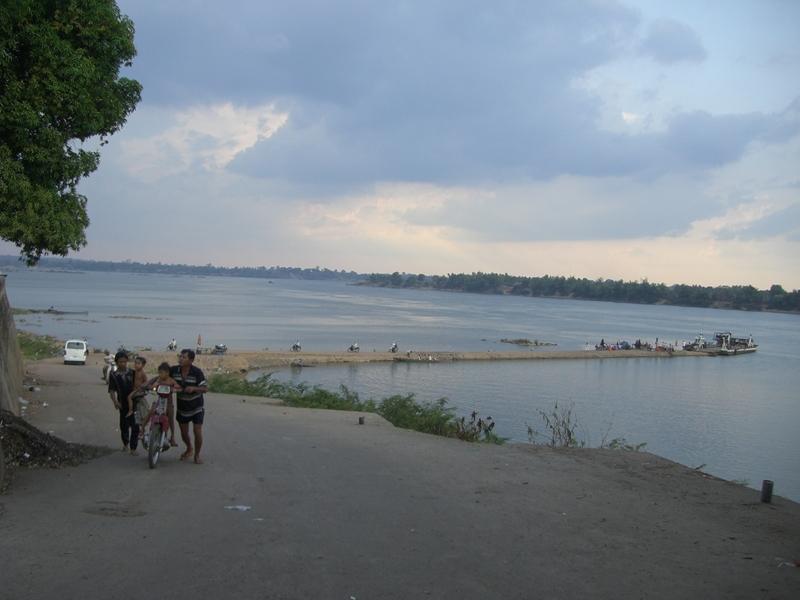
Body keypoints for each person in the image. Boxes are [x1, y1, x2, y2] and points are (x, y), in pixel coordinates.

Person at [171, 349, 208, 464]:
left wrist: (194, 388)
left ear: (191, 360)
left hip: (197, 407)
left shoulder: (197, 372)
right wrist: (150, 383)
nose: (181, 359)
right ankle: (189, 448)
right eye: (180, 356)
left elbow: (205, 388)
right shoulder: (174, 370)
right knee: (184, 433)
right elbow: (162, 376)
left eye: (184, 357)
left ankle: (197, 455)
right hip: (182, 407)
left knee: (197, 431)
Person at [140, 362, 180, 447]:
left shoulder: (171, 380)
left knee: (171, 418)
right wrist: (152, 387)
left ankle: (172, 437)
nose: (160, 374)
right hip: (159, 401)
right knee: (150, 412)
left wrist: (175, 389)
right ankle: (142, 429)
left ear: (167, 373)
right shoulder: (158, 379)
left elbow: (177, 386)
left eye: (161, 373)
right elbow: (151, 385)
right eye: (159, 373)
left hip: (168, 403)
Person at [107, 351, 138, 455]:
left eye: (124, 361)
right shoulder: (114, 375)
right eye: (120, 362)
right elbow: (112, 390)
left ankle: (133, 448)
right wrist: (115, 402)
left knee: (135, 426)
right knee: (124, 426)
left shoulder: (132, 373)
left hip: (134, 403)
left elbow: (138, 385)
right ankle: (125, 444)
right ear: (116, 362)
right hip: (122, 404)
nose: (123, 364)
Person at [126, 356, 150, 439]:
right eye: (135, 363)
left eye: (138, 363)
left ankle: (130, 410)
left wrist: (144, 388)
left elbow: (146, 382)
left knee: (129, 397)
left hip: (138, 391)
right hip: (135, 390)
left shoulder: (142, 373)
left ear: (143, 365)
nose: (136, 365)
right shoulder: (134, 372)